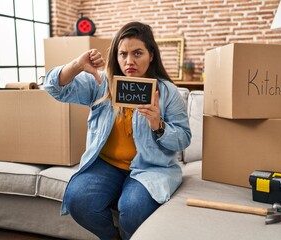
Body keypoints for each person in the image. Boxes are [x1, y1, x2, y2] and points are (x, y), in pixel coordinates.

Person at [44, 21, 191, 240]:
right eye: (123, 54)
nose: (129, 61)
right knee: (78, 199)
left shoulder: (168, 92)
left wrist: (158, 125)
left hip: (150, 168)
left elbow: (184, 139)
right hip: (106, 165)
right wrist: (76, 64)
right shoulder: (101, 82)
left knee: (133, 208)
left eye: (137, 53)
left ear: (151, 55)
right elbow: (54, 88)